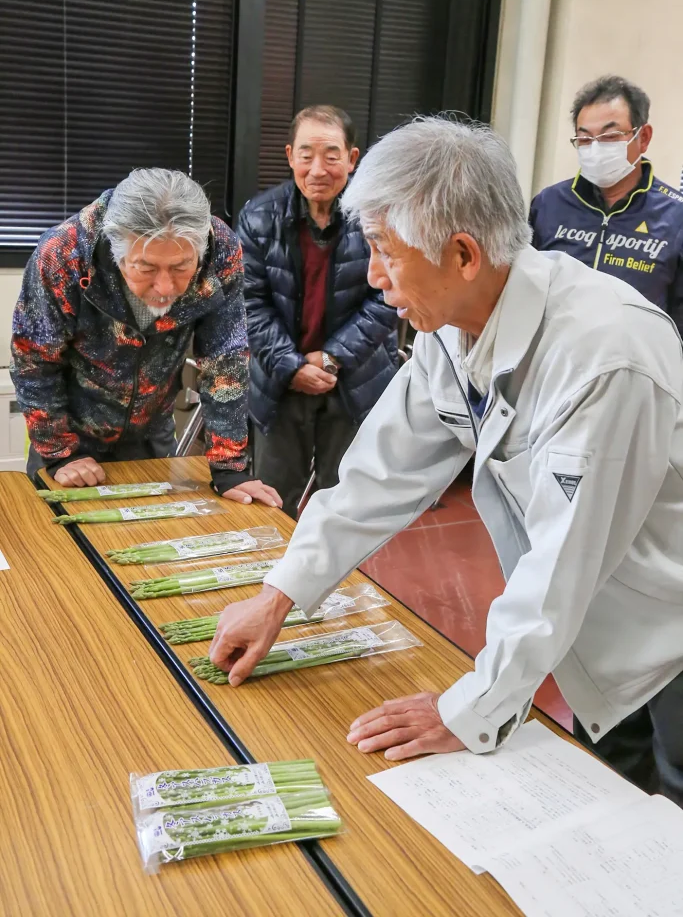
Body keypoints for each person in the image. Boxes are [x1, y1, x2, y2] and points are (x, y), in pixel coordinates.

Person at [209, 116, 683, 806]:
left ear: (462, 253)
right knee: (605, 797)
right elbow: (378, 475)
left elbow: (562, 559)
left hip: (665, 631)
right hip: (590, 635)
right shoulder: (453, 328)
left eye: (384, 252)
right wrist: (278, 595)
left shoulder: (602, 353)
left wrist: (467, 708)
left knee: (665, 822)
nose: (374, 277)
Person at [12, 167, 281, 507]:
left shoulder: (222, 249)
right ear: (116, 249)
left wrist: (229, 468)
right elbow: (34, 361)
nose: (165, 288)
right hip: (70, 433)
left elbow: (225, 360)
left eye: (182, 267)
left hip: (152, 429)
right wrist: (59, 452)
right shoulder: (63, 253)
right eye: (146, 268)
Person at [236, 105, 399, 518]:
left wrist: (332, 358)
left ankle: (336, 583)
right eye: (306, 155)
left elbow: (389, 296)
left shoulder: (379, 217)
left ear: (352, 158)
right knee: (271, 501)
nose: (317, 168)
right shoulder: (258, 218)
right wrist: (292, 366)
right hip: (281, 382)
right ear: (290, 156)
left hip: (355, 380)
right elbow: (249, 302)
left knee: (347, 504)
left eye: (331, 154)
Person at [531, 74, 683, 333]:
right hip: (554, 363)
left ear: (643, 137)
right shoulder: (549, 204)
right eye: (585, 139)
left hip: (637, 365)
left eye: (610, 137)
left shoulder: (675, 216)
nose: (596, 149)